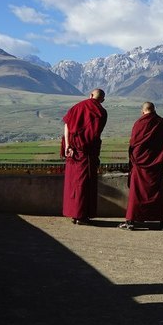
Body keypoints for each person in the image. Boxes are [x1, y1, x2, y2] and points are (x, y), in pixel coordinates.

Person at [120, 102, 163, 231]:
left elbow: (133, 143)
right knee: (156, 192)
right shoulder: (161, 122)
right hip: (155, 163)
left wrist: (135, 157)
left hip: (139, 163)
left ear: (143, 111)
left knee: (137, 192)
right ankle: (161, 221)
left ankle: (131, 220)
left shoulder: (139, 123)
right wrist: (157, 154)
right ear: (154, 110)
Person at [61, 88, 108, 225]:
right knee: (84, 184)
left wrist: (68, 145)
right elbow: (95, 135)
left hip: (73, 152)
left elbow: (67, 125)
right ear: (102, 100)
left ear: (90, 95)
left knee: (73, 183)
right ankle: (81, 216)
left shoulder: (77, 107)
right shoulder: (101, 112)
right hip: (87, 153)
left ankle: (74, 214)